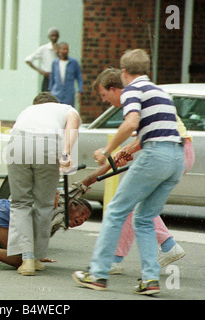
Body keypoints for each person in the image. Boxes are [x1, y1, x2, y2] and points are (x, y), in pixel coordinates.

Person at [72, 49, 185, 295]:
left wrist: (108, 151)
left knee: (114, 210)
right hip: (176, 158)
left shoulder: (133, 89)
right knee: (144, 219)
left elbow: (131, 122)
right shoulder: (159, 91)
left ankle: (97, 274)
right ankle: (150, 280)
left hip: (155, 154)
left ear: (123, 73)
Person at [90, 67, 194, 274]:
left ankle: (113, 262)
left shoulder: (133, 96)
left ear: (114, 89)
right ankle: (155, 252)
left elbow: (137, 133)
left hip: (171, 150)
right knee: (137, 206)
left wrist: (109, 152)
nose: (103, 100)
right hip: (180, 151)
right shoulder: (144, 94)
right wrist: (123, 153)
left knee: (128, 204)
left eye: (103, 95)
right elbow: (144, 136)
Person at [6, 92, 81, 276]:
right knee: (44, 204)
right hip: (48, 144)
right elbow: (72, 128)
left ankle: (28, 258)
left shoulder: (28, 110)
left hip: (18, 142)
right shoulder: (67, 109)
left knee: (20, 202)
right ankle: (37, 257)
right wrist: (65, 154)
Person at [49, 42, 83, 107]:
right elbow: (52, 78)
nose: (65, 51)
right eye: (63, 49)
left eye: (66, 49)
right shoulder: (55, 63)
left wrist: (80, 90)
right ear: (59, 50)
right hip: (56, 93)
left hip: (69, 93)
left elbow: (79, 77)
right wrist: (50, 91)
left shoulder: (74, 63)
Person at [25, 27, 60, 92]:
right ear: (49, 37)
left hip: (59, 77)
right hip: (48, 77)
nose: (54, 38)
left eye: (56, 36)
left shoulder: (61, 48)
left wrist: (57, 52)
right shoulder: (44, 48)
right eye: (52, 35)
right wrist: (41, 71)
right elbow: (28, 60)